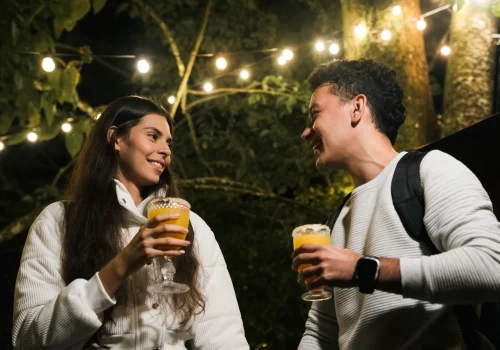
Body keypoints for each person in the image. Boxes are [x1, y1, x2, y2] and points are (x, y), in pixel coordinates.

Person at [292, 58, 500, 349]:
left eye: (315, 114)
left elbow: (491, 265)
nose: (306, 131)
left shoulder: (431, 171)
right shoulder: (335, 222)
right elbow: (322, 331)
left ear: (356, 107)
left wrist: (364, 270)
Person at [12, 96, 249, 349]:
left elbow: (223, 334)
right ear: (117, 138)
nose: (166, 150)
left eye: (169, 142)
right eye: (153, 136)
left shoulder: (193, 227)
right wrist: (121, 266)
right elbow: (28, 340)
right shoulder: (59, 221)